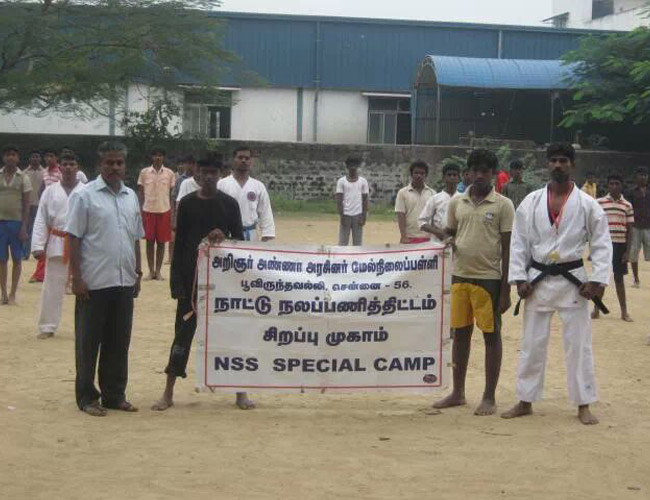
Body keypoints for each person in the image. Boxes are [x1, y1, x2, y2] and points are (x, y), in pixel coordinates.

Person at [501, 143, 612, 425]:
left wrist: (597, 282)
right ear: (547, 164)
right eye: (553, 161)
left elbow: (601, 244)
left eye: (563, 160)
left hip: (574, 282)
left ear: (572, 165)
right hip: (537, 281)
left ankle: (583, 402)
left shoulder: (588, 204)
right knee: (532, 343)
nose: (558, 165)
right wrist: (519, 278)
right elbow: (519, 242)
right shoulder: (532, 201)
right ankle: (525, 400)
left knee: (579, 345)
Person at [152, 158, 251, 411]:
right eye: (204, 172)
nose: (209, 176)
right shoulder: (186, 204)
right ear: (196, 173)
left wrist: (224, 237)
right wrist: (177, 283)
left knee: (232, 336)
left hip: (223, 284)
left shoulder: (229, 205)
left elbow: (240, 242)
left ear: (220, 174)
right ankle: (168, 392)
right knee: (181, 336)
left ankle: (241, 392)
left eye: (213, 172)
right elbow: (180, 243)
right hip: (190, 280)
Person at [433, 149, 514, 416]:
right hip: (459, 277)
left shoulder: (503, 205)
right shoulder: (457, 203)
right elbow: (451, 232)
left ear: (493, 174)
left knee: (491, 337)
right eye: (475, 170)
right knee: (460, 337)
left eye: (485, 171)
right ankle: (458, 392)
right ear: (468, 172)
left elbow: (508, 249)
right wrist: (445, 238)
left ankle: (489, 397)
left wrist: (505, 289)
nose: (479, 175)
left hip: (489, 280)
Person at [66, 141, 144, 417]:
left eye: (119, 163)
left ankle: (114, 394)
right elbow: (73, 238)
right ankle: (87, 397)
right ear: (100, 165)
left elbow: (135, 236)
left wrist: (138, 272)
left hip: (123, 281)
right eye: (109, 163)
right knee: (89, 343)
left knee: (118, 342)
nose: (114, 167)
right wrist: (77, 278)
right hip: (94, 283)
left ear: (125, 166)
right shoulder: (84, 196)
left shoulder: (130, 196)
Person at [31, 154, 84, 339]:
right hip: (57, 241)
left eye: (72, 164)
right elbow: (41, 218)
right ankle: (47, 326)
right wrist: (38, 245)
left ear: (78, 167)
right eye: (65, 164)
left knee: (85, 285)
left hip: (81, 244)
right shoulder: (50, 191)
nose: (69, 167)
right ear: (60, 167)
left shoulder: (86, 190)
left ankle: (85, 327)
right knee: (52, 286)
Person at [591, 175, 634, 322]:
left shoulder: (627, 205)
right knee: (600, 279)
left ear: (621, 185)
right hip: (604, 246)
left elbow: (630, 230)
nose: (614, 186)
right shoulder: (599, 203)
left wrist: (627, 252)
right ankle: (596, 310)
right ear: (608, 186)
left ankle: (624, 312)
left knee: (619, 279)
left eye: (617, 183)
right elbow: (593, 226)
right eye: (611, 184)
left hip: (620, 246)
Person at [217, 146, 275, 242]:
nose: (243, 160)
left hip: (251, 234)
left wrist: (267, 235)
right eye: (240, 157)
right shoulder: (221, 184)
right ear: (233, 160)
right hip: (228, 235)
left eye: (247, 158)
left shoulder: (258, 186)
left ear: (251, 161)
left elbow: (265, 212)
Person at [137, 146, 175, 280]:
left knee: (161, 242)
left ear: (163, 157)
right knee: (149, 242)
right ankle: (150, 271)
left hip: (164, 210)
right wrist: (140, 210)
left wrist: (172, 215)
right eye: (155, 155)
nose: (158, 157)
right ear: (152, 157)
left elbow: (171, 194)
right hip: (148, 211)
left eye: (160, 155)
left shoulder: (170, 173)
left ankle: (158, 271)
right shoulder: (144, 172)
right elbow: (141, 192)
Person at [0, 145, 32, 305]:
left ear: (18, 158)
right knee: (1, 259)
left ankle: (13, 294)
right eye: (7, 154)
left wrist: (24, 227)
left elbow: (27, 205)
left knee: (17, 259)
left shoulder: (23, 177)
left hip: (17, 222)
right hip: (0, 223)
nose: (10, 157)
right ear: (3, 157)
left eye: (13, 154)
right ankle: (3, 293)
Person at [394, 161, 435, 244]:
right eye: (416, 173)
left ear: (426, 175)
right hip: (410, 237)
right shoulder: (402, 193)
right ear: (411, 174)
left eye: (422, 173)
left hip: (428, 238)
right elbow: (401, 215)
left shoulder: (432, 193)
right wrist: (403, 236)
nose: (419, 176)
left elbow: (435, 216)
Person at [419, 163, 460, 242]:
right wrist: (439, 233)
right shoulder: (435, 199)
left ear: (458, 178)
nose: (452, 177)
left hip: (458, 241)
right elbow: (421, 222)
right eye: (449, 175)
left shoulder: (463, 198)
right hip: (438, 242)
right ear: (443, 178)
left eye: (455, 175)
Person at [169, 155, 197, 265]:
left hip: (195, 217)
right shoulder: (180, 180)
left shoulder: (199, 179)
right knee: (177, 241)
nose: (190, 166)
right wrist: (174, 218)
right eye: (188, 163)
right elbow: (174, 198)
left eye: (193, 163)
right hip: (181, 215)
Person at [335, 156, 369, 246]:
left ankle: (356, 260)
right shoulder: (341, 181)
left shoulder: (363, 181)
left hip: (358, 216)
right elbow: (339, 200)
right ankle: (342, 259)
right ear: (347, 167)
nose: (353, 167)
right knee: (342, 244)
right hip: (345, 215)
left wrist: (364, 216)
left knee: (357, 244)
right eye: (350, 165)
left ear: (358, 166)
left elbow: (365, 200)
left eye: (355, 165)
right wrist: (341, 216)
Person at [628, 166, 650, 288]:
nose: (643, 177)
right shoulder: (631, 192)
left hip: (648, 226)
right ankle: (636, 279)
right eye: (641, 175)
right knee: (634, 253)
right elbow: (628, 208)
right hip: (635, 226)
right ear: (636, 177)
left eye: (645, 175)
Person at [22, 150, 45, 259]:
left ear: (40, 159)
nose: (35, 158)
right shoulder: (24, 173)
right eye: (33, 156)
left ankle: (38, 253)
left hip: (40, 205)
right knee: (26, 228)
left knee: (38, 229)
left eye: (37, 156)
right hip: (27, 205)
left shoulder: (45, 172)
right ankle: (25, 253)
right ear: (29, 159)